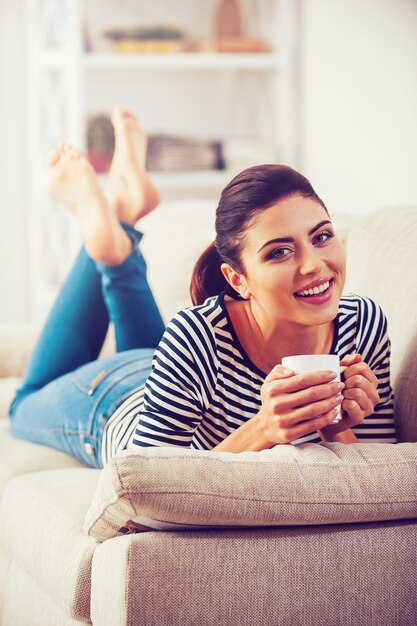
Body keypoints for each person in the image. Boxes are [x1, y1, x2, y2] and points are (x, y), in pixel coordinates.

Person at [9, 109, 397, 468]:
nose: (314, 264)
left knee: (150, 352)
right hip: (116, 401)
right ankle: (114, 247)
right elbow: (154, 483)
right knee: (23, 405)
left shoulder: (363, 324)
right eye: (280, 252)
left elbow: (371, 480)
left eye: (322, 236)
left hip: (172, 379)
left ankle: (121, 229)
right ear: (237, 280)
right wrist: (264, 429)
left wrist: (333, 426)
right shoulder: (197, 334)